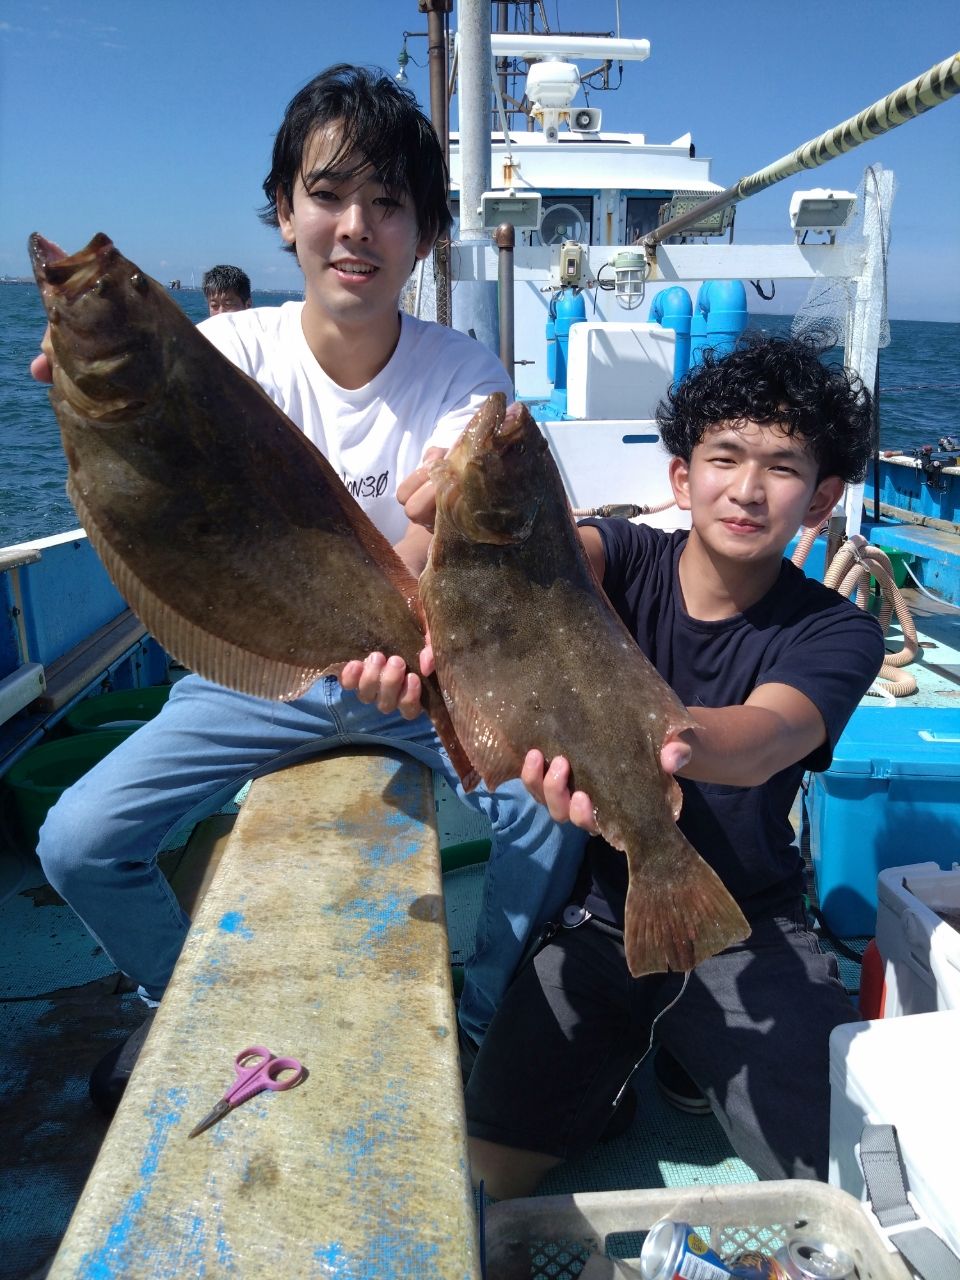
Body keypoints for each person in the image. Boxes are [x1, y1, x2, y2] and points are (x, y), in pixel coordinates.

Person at [31, 64, 586, 1115]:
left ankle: (476, 1017)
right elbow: (147, 491)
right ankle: (177, 995)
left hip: (419, 670)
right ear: (283, 213)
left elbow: (448, 556)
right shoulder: (224, 351)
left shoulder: (464, 373)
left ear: (423, 236)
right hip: (255, 669)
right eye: (327, 195)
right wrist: (89, 377)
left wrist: (402, 647)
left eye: (389, 204)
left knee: (544, 822)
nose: (355, 227)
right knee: (76, 838)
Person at [456, 333, 886, 1199]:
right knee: (489, 1173)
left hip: (744, 918)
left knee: (835, 1180)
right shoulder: (620, 556)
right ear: (681, 478)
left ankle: (688, 1056)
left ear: (821, 498)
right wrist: (466, 508)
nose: (747, 488)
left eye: (782, 466)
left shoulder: (839, 632)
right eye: (723, 457)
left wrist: (661, 734)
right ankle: (619, 1079)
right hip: (598, 910)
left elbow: (767, 737)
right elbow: (552, 557)